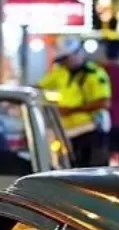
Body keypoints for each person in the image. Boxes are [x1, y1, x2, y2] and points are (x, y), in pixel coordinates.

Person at [37, 37, 112, 166]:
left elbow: (104, 103)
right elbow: (39, 86)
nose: (64, 63)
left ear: (78, 53)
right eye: (61, 60)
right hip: (67, 132)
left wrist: (71, 110)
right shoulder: (61, 72)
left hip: (89, 130)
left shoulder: (94, 74)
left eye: (66, 58)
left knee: (90, 170)